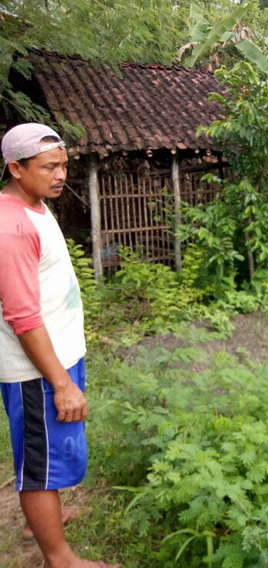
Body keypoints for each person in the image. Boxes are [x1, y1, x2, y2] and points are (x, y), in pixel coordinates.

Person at [0, 123, 117, 568]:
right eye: (49, 166)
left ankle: (44, 519)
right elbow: (23, 317)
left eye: (64, 165)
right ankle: (59, 558)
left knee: (51, 452)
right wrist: (61, 384)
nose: (61, 175)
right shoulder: (10, 227)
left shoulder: (34, 206)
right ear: (16, 168)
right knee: (39, 462)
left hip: (57, 357)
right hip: (37, 371)